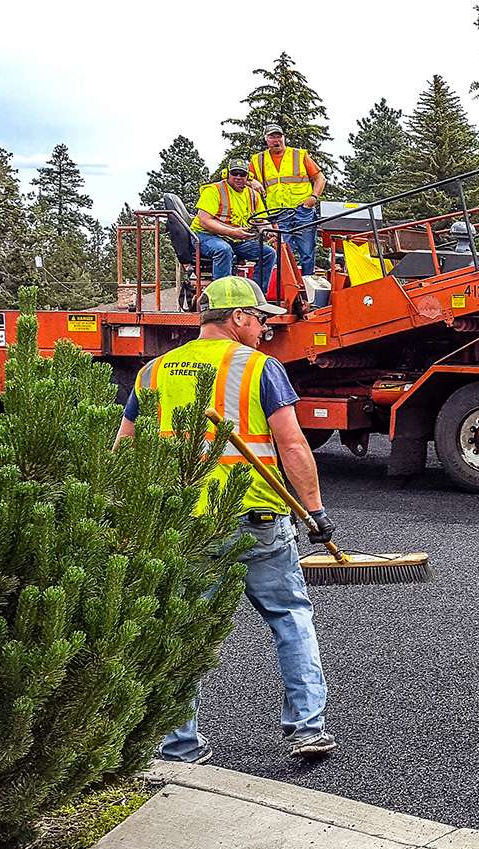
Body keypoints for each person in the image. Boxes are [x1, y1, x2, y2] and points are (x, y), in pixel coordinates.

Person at [115, 276, 339, 761]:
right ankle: (307, 729)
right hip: (256, 517)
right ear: (237, 317)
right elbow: (294, 445)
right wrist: (316, 511)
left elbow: (124, 447)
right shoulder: (261, 368)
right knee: (290, 617)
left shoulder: (152, 372)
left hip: (185, 524)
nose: (266, 328)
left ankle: (179, 744)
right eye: (261, 319)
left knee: (182, 628)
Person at [249, 124, 326, 277]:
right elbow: (241, 178)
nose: (276, 140)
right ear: (266, 140)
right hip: (278, 214)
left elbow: (320, 179)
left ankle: (307, 287)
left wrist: (313, 198)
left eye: (279, 136)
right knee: (283, 254)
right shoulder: (258, 160)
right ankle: (287, 290)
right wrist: (252, 182)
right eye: (272, 137)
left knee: (307, 253)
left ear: (283, 138)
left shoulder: (299, 155)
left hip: (302, 211)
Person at [192, 161, 277, 295]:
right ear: (227, 174)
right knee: (224, 250)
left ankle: (256, 297)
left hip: (233, 238)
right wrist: (232, 232)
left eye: (242, 174)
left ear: (248, 177)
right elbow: (204, 221)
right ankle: (223, 299)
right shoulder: (214, 190)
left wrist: (268, 231)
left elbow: (261, 219)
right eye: (234, 173)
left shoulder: (252, 195)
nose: (238, 177)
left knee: (268, 253)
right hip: (205, 235)